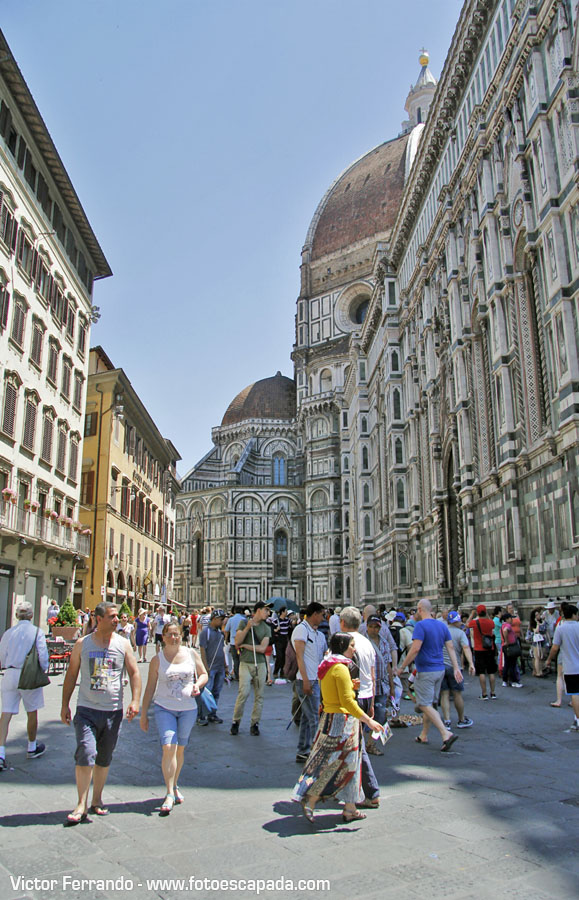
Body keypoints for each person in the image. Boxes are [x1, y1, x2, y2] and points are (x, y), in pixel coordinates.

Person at [60, 601, 141, 825]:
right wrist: (64, 704)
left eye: (117, 617)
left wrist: (135, 700)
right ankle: (80, 803)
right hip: (86, 709)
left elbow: (134, 673)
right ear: (98, 619)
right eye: (112, 617)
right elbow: (71, 675)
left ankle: (96, 799)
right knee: (85, 753)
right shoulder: (82, 644)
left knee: (104, 758)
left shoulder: (123, 644)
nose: (117, 620)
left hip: (113, 710)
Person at [292, 632, 384, 823]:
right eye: (351, 645)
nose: (354, 648)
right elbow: (348, 702)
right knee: (334, 763)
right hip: (342, 723)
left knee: (350, 764)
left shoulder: (328, 664)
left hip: (330, 718)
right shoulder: (341, 668)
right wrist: (369, 720)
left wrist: (351, 686)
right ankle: (311, 798)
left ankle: (350, 808)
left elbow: (334, 693)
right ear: (342, 646)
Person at [140, 622, 207, 813]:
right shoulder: (157, 660)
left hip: (188, 709)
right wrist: (143, 713)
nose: (173, 637)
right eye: (169, 634)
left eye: (176, 634)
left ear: (181, 635)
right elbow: (150, 688)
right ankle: (169, 793)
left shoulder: (191, 654)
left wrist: (198, 685)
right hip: (164, 708)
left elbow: (204, 675)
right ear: (163, 637)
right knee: (169, 746)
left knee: (180, 750)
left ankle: (175, 784)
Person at [396, 598, 463, 750]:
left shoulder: (420, 626)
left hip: (426, 670)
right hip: (440, 669)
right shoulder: (441, 625)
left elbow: (415, 649)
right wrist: (456, 667)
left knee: (423, 704)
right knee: (430, 704)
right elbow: (451, 647)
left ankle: (446, 734)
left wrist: (402, 667)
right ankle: (423, 735)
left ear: (420, 609)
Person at [339, 606, 381, 808]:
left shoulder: (344, 643)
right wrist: (371, 703)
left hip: (351, 699)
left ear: (343, 623)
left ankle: (370, 792)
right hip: (365, 696)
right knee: (353, 744)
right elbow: (372, 675)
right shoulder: (367, 643)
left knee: (354, 746)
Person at [0, 602, 49, 770]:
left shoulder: (8, 633)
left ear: (16, 615)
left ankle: (0, 753)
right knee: (32, 712)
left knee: (5, 714)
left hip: (10, 673)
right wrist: (43, 670)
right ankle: (31, 746)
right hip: (29, 674)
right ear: (31, 615)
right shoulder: (37, 632)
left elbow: (2, 655)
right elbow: (42, 656)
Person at [292, 602, 327, 763]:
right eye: (321, 614)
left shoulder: (318, 634)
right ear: (314, 614)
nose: (323, 617)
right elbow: (299, 656)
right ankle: (317, 753)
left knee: (307, 718)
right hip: (306, 680)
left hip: (316, 679)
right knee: (314, 717)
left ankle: (302, 750)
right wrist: (305, 680)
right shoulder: (301, 630)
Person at [230, 601, 272, 735]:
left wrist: (246, 647)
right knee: (244, 692)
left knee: (259, 695)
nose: (268, 613)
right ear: (258, 610)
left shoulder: (266, 628)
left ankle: (255, 723)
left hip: (260, 664)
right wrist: (248, 627)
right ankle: (236, 721)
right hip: (245, 663)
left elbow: (262, 649)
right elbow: (237, 642)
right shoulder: (244, 623)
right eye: (266, 610)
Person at [544, 602, 579, 731]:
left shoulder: (561, 628)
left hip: (570, 667)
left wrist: (548, 660)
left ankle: (578, 719)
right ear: (574, 615)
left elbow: (554, 648)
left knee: (575, 694)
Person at [365, 614, 396, 753]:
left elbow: (388, 665)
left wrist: (392, 686)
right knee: (363, 715)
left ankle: (371, 743)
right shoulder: (361, 642)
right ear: (366, 627)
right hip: (366, 686)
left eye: (376, 627)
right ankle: (358, 743)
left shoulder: (384, 642)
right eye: (371, 626)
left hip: (381, 685)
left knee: (381, 715)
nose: (373, 630)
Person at [439, 610, 475, 730]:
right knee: (457, 693)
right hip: (455, 668)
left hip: (441, 666)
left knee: (444, 693)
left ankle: (447, 721)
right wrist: (471, 663)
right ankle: (461, 719)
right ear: (457, 621)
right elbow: (466, 648)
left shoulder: (442, 631)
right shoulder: (460, 633)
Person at [198, 609, 226, 724]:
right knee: (206, 693)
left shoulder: (220, 633)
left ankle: (212, 714)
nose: (222, 622)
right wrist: (205, 667)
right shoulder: (206, 632)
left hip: (220, 667)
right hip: (210, 667)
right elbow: (202, 650)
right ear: (214, 619)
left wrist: (225, 665)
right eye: (221, 620)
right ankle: (201, 716)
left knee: (216, 692)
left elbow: (221, 649)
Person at [467, 604, 498, 700]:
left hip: (479, 649)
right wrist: (488, 615)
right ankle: (493, 693)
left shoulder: (475, 623)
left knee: (481, 672)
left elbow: (467, 624)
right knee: (491, 671)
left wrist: (472, 615)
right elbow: (492, 625)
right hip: (490, 649)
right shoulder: (490, 622)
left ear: (477, 612)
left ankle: (484, 694)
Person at [500, 612, 523, 687]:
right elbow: (505, 630)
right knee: (512, 664)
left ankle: (505, 680)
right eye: (510, 618)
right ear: (507, 619)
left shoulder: (503, 625)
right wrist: (507, 640)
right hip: (510, 646)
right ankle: (514, 681)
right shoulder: (507, 625)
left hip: (505, 646)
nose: (512, 620)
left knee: (507, 664)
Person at [224, 607, 246, 680]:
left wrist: (226, 639)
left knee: (235, 659)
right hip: (242, 642)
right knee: (242, 659)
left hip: (233, 642)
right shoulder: (244, 619)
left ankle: (237, 676)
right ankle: (243, 674)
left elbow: (226, 630)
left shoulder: (231, 619)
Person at [273, 607, 290, 678]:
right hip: (278, 640)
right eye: (286, 611)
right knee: (279, 656)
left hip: (285, 639)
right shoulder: (276, 621)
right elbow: (272, 630)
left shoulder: (287, 620)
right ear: (282, 612)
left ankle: (282, 672)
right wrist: (276, 630)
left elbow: (290, 627)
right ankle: (276, 671)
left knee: (284, 657)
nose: (287, 613)